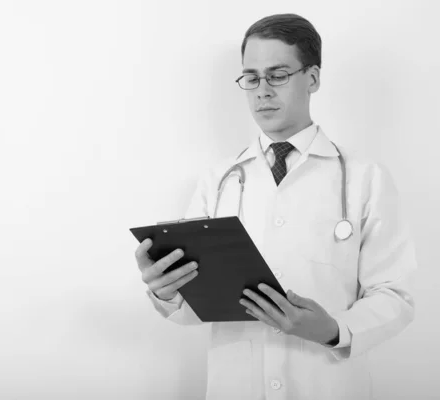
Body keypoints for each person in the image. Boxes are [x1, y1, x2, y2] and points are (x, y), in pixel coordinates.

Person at [134, 13, 418, 400]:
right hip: (236, 385)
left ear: (313, 78)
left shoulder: (366, 178)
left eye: (278, 74)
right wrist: (167, 292)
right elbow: (194, 308)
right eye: (251, 77)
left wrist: (333, 329)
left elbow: (394, 296)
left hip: (327, 385)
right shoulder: (218, 181)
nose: (262, 90)